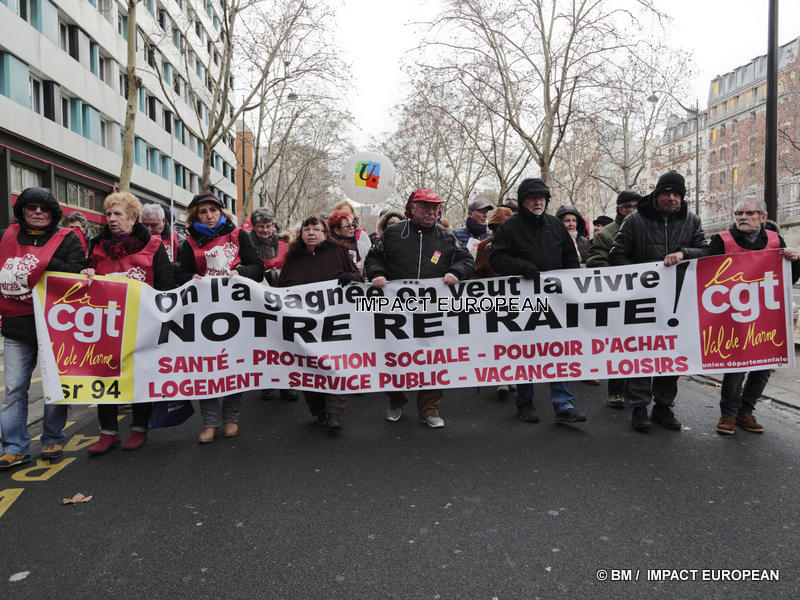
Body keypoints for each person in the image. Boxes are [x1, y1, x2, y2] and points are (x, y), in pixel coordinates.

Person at [365, 188, 474, 428]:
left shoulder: (446, 237)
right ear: (412, 208)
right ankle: (396, 400)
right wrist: (377, 273)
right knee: (397, 356)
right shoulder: (394, 234)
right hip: (397, 311)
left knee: (433, 358)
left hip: (433, 312)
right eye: (425, 206)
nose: (431, 211)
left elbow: (466, 260)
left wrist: (456, 272)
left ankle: (429, 409)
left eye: (434, 207)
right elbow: (373, 259)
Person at [609, 170, 708, 432]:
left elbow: (707, 252)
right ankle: (639, 408)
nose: (672, 198)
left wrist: (683, 252)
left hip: (677, 302)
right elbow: (616, 254)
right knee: (642, 353)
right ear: (657, 193)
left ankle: (663, 408)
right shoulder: (634, 220)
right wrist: (641, 280)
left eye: (677, 194)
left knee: (670, 354)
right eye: (667, 193)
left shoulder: (692, 221)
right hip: (642, 302)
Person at [81, 192, 175, 455]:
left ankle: (139, 427)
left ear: (133, 218)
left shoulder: (154, 245)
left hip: (142, 323)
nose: (111, 219)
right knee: (105, 374)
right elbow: (86, 277)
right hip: (106, 324)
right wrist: (86, 271)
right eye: (108, 214)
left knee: (138, 376)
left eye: (118, 214)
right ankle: (108, 431)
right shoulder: (96, 246)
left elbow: (166, 286)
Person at [489, 178, 587, 425]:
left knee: (557, 350)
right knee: (526, 351)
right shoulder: (510, 227)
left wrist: (571, 284)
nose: (538, 201)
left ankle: (563, 404)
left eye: (542, 197)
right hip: (523, 300)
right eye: (533, 198)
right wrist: (523, 268)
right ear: (523, 201)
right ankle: (525, 401)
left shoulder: (556, 225)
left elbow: (570, 258)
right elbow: (497, 258)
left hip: (555, 300)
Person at [0, 188, 86, 469]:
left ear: (53, 213)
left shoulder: (68, 238)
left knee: (54, 385)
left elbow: (76, 272)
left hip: (55, 327)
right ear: (22, 210)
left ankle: (52, 437)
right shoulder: (5, 237)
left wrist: (42, 264)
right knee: (13, 389)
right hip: (16, 328)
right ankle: (14, 447)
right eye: (31, 206)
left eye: (44, 208)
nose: (38, 212)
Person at [175, 191, 264, 443]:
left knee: (234, 364)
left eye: (213, 210)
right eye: (203, 212)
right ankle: (209, 423)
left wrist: (240, 273)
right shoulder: (189, 243)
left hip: (237, 309)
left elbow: (257, 268)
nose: (209, 215)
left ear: (221, 212)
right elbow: (181, 274)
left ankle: (231, 418)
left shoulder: (238, 235)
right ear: (195, 216)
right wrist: (190, 279)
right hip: (204, 313)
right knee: (207, 366)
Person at [707, 198, 800, 435]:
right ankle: (727, 413)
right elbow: (705, 271)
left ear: (763, 217)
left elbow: (788, 279)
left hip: (767, 315)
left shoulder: (775, 240)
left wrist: (795, 260)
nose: (743, 217)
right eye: (739, 213)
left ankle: (745, 411)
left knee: (764, 367)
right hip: (733, 315)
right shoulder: (721, 241)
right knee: (736, 365)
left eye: (750, 213)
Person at [277, 216, 362, 430]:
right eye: (307, 229)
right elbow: (280, 290)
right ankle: (318, 411)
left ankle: (334, 412)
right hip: (305, 326)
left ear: (326, 233)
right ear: (301, 234)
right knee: (310, 368)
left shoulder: (339, 252)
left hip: (335, 322)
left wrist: (349, 277)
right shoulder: (293, 258)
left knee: (336, 365)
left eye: (316, 229)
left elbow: (359, 279)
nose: (311, 233)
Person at [586, 190, 641, 407]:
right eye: (633, 207)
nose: (637, 211)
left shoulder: (644, 228)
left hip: (643, 297)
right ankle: (616, 390)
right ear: (622, 209)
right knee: (620, 344)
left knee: (641, 345)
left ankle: (636, 391)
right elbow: (595, 261)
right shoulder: (607, 234)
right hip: (618, 297)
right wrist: (621, 276)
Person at [472, 206, 515, 397]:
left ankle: (515, 377)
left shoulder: (522, 245)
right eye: (496, 228)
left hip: (519, 300)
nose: (499, 232)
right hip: (493, 301)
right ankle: (502, 379)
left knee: (517, 340)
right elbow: (477, 272)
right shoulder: (484, 246)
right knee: (498, 340)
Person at [587, 191, 640, 270]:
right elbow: (597, 262)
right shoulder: (604, 235)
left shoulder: (646, 229)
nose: (640, 211)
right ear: (622, 210)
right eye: (636, 207)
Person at [248, 208, 288, 286]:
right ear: (253, 226)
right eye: (261, 226)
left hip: (280, 289)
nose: (265, 230)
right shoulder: (245, 245)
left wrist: (275, 274)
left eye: (268, 226)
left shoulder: (284, 244)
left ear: (273, 226)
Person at [331, 199, 371, 268]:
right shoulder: (329, 236)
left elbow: (370, 259)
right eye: (342, 214)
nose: (346, 216)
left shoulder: (361, 234)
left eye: (349, 213)